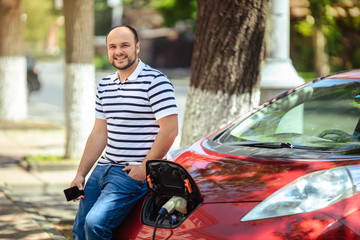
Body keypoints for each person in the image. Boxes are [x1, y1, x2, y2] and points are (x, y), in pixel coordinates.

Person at [71, 25, 179, 240]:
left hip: (131, 173)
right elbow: (98, 134)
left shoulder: (155, 81)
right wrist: (80, 174)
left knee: (95, 224)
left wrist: (145, 167)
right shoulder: (105, 85)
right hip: (103, 169)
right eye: (112, 46)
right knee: (79, 228)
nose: (118, 51)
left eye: (124, 45)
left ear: (137, 47)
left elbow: (170, 130)